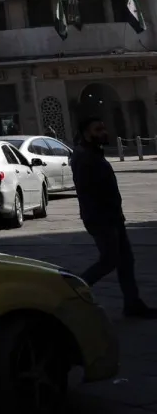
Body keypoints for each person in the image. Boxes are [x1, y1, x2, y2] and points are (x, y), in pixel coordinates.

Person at [72, 116, 157, 318]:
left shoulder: (93, 153)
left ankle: (132, 304)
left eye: (103, 128)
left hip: (112, 216)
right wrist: (105, 215)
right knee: (109, 260)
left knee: (126, 261)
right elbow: (89, 191)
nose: (103, 132)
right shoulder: (84, 157)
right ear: (86, 133)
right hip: (101, 218)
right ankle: (72, 291)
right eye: (98, 129)